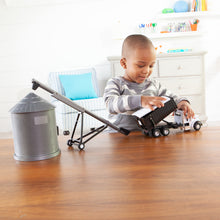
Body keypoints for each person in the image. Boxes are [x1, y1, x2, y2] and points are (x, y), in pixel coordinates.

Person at [103, 34, 195, 132]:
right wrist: (140, 100)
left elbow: (173, 98)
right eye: (140, 65)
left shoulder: (154, 85)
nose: (146, 71)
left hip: (148, 136)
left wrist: (183, 103)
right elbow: (110, 105)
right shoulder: (116, 83)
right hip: (119, 138)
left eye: (151, 66)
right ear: (124, 63)